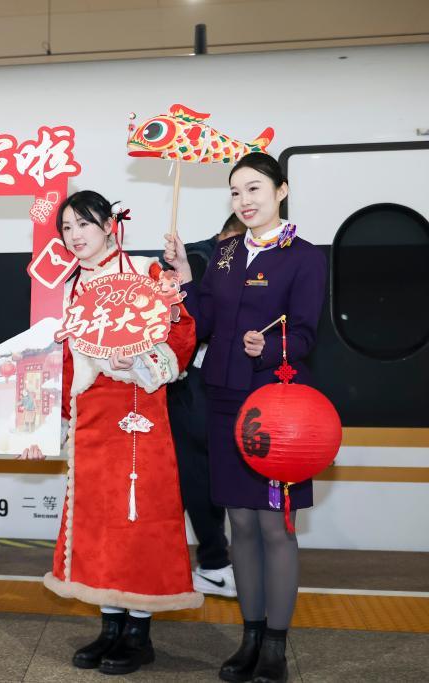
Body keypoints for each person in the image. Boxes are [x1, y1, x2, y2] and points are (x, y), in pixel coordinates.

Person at [20, 190, 202, 676]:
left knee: (139, 516)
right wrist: (53, 421)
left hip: (139, 407)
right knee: (96, 518)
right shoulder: (71, 286)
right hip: (90, 414)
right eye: (66, 228)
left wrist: (140, 358)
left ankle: (139, 633)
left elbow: (182, 332)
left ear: (109, 225)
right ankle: (110, 624)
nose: (74, 235)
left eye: (83, 224)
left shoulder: (146, 271)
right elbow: (65, 359)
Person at [164, 152, 327, 683]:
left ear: (281, 191)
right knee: (239, 523)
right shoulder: (226, 253)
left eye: (254, 189)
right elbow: (206, 320)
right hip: (224, 399)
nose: (244, 200)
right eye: (236, 192)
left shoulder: (305, 256)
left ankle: (275, 645)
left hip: (277, 406)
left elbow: (306, 333)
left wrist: (270, 346)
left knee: (275, 526)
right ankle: (250, 636)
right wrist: (185, 280)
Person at [165, 214, 246, 598]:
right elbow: (195, 324)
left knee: (206, 478)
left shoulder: (246, 260)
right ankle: (213, 562)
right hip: (189, 388)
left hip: (218, 385)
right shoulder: (197, 259)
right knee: (198, 478)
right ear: (227, 233)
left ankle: (212, 562)